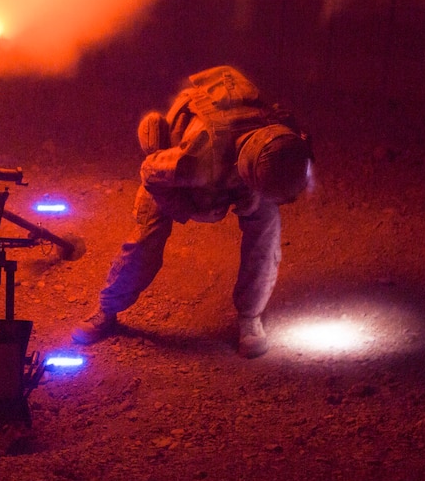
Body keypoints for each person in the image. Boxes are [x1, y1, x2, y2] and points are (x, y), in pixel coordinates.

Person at [72, 65, 313, 358]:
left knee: (266, 226)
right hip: (177, 179)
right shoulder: (195, 161)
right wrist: (185, 208)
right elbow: (149, 173)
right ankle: (106, 310)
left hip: (243, 170)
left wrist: (250, 197)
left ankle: (250, 316)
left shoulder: (282, 143)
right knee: (146, 239)